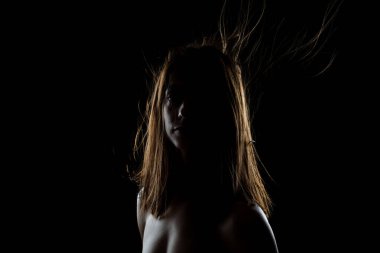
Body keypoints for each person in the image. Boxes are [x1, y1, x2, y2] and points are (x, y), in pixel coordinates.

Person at [132, 28, 279, 253]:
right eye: (174, 96)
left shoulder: (243, 221)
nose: (185, 110)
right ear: (159, 107)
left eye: (199, 97)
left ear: (222, 110)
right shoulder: (148, 204)